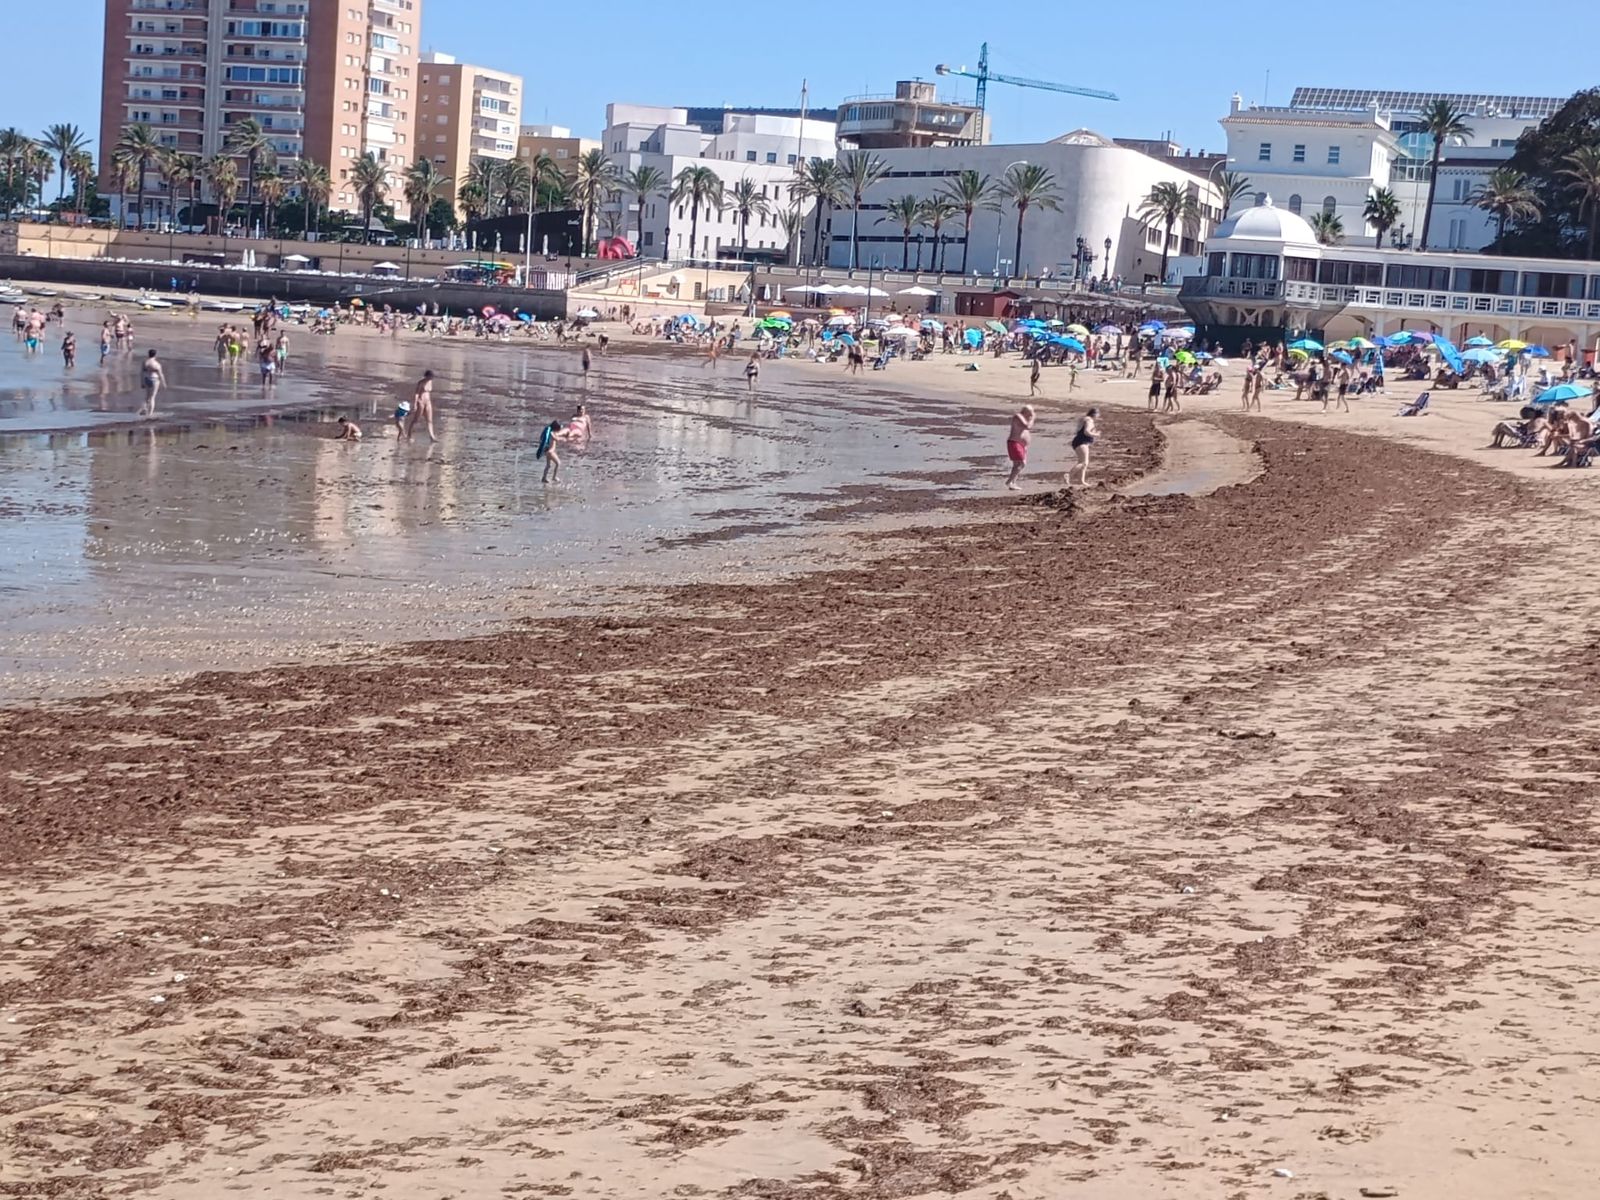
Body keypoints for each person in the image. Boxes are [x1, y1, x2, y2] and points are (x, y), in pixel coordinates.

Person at [1066, 407, 1100, 487]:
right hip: (1082, 442)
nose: (1098, 417)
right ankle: (1069, 475)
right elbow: (1086, 432)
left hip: (1078, 441)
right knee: (1084, 462)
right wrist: (1096, 434)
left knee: (1082, 462)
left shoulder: (1084, 419)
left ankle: (1081, 481)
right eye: (1098, 415)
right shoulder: (1089, 420)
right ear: (1095, 414)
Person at [1005, 404, 1035, 490]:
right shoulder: (1018, 416)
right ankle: (1009, 481)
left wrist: (1031, 418)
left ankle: (1013, 483)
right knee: (1021, 463)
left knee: (1018, 464)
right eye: (1030, 412)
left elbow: (1028, 427)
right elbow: (1027, 426)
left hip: (1021, 444)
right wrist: (1033, 418)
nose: (1031, 414)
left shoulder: (1026, 418)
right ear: (1024, 411)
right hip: (1014, 442)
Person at [405, 369, 437, 442]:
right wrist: (415, 403)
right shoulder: (421, 382)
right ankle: (409, 434)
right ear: (427, 376)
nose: (431, 378)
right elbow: (416, 393)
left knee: (429, 420)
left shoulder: (430, 382)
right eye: (430, 376)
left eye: (432, 377)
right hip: (421, 401)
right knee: (416, 419)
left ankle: (432, 437)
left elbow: (428, 392)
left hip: (428, 401)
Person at [536, 418, 564, 483]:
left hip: (548, 451)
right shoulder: (552, 434)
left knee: (548, 465)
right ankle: (554, 477)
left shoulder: (550, 432)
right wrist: (563, 438)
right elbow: (557, 439)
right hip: (551, 452)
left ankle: (544, 478)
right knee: (558, 463)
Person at [139, 349, 166, 417]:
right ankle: (150, 413)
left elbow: (142, 372)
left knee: (147, 396)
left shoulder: (145, 362)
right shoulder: (156, 364)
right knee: (152, 397)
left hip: (146, 379)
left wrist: (142, 382)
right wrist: (163, 382)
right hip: (154, 379)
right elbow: (160, 374)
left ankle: (144, 409)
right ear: (155, 355)